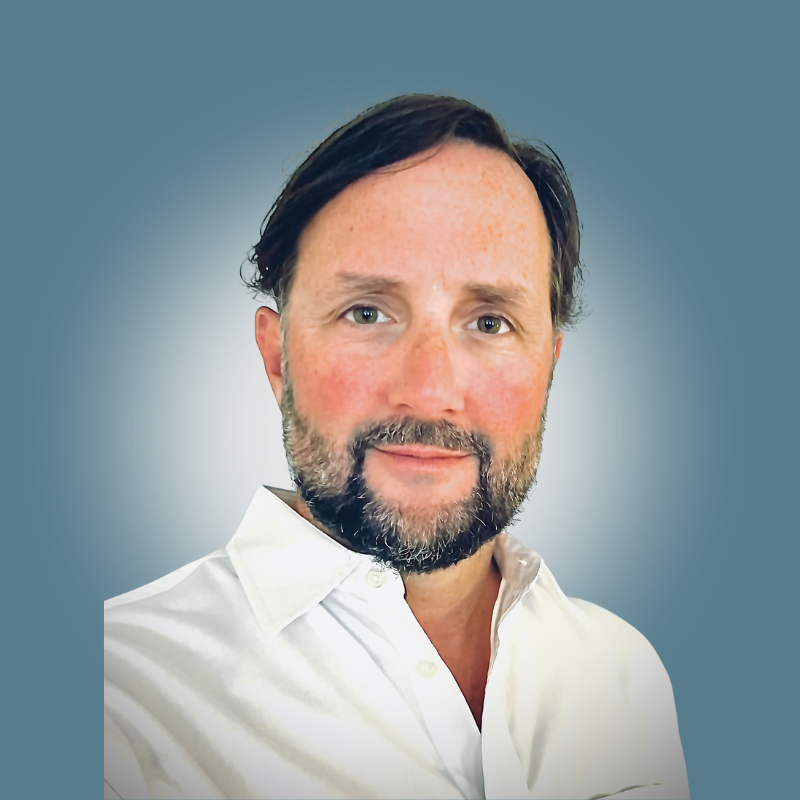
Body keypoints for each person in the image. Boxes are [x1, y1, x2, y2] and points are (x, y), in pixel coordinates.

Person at [104, 94, 690, 800]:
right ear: (278, 358)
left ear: (549, 366)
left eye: (490, 321)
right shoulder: (115, 693)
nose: (431, 388)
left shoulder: (625, 674)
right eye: (368, 312)